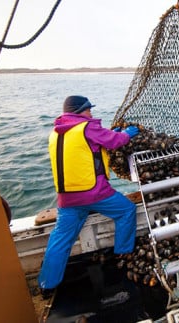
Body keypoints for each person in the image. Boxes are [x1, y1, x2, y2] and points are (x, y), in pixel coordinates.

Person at [38, 95, 139, 299]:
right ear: (79, 111)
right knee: (127, 211)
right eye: (88, 109)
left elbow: (88, 148)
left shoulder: (56, 133)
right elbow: (114, 141)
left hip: (67, 199)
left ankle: (46, 284)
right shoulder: (86, 127)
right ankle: (123, 253)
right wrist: (126, 134)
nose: (90, 113)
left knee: (61, 238)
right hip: (94, 193)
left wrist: (111, 133)